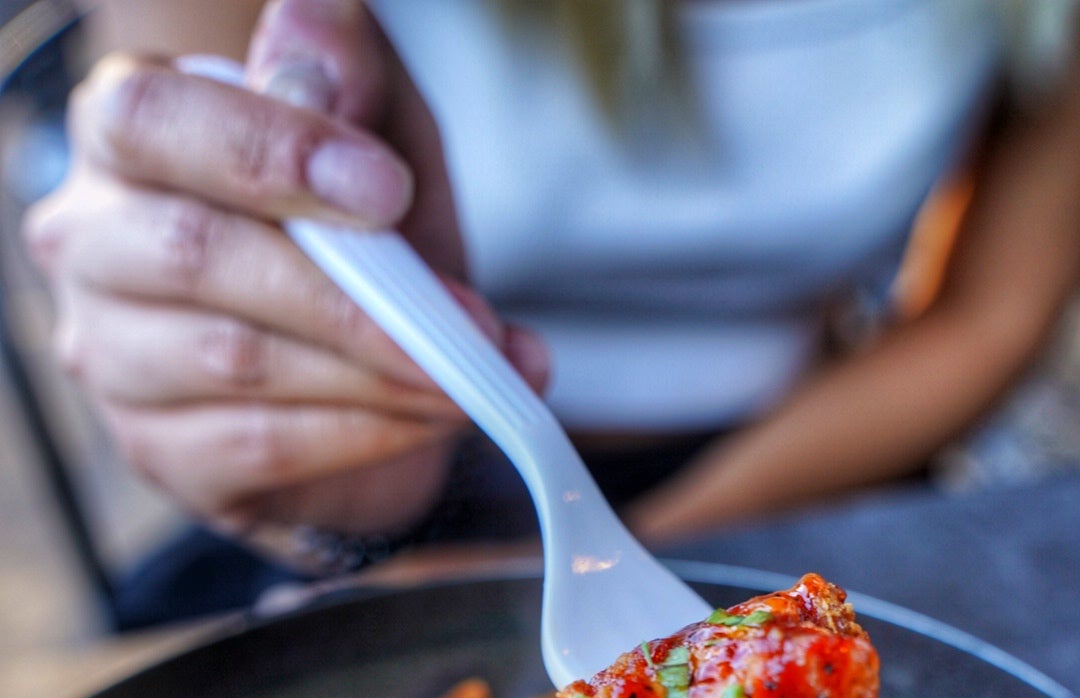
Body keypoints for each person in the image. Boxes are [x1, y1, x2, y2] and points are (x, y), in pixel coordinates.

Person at [22, 0, 1080, 590]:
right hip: (379, 475)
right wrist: (200, 315)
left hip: (804, 464)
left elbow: (984, 319)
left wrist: (641, 549)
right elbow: (182, 179)